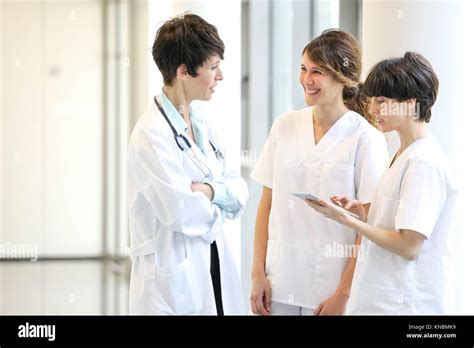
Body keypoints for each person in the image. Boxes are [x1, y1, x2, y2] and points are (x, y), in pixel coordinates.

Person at [250, 29, 389, 315]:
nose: (306, 80)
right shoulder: (284, 125)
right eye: (303, 69)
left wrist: (344, 293)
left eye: (317, 72)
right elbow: (266, 204)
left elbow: (369, 226)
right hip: (279, 283)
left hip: (330, 290)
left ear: (342, 77)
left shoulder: (365, 137)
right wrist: (257, 274)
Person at [306, 52, 458, 314]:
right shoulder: (403, 154)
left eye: (382, 101)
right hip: (382, 301)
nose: (373, 109)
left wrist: (348, 222)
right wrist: (362, 215)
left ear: (410, 104)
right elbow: (395, 224)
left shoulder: (424, 162)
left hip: (407, 305)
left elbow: (408, 246)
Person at [127, 13, 248, 315]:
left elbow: (241, 190)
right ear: (183, 71)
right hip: (172, 282)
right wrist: (223, 199)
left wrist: (208, 191)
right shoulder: (151, 134)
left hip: (212, 265)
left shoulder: (202, 125)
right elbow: (184, 213)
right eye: (213, 67)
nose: (220, 76)